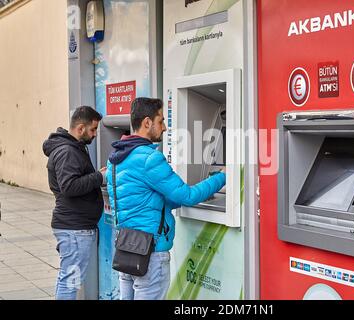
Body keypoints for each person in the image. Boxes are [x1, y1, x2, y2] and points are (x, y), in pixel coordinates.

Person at [106, 97, 225, 300]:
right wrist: (223, 176)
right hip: (150, 255)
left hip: (127, 249)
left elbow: (145, 200)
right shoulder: (149, 158)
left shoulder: (116, 159)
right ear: (147, 122)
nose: (165, 128)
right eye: (161, 121)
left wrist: (175, 196)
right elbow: (187, 196)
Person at [43, 106, 106, 300]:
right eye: (93, 129)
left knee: (68, 280)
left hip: (74, 227)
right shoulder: (67, 152)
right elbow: (69, 186)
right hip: (75, 228)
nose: (95, 134)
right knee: (70, 282)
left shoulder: (71, 148)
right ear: (80, 128)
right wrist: (99, 177)